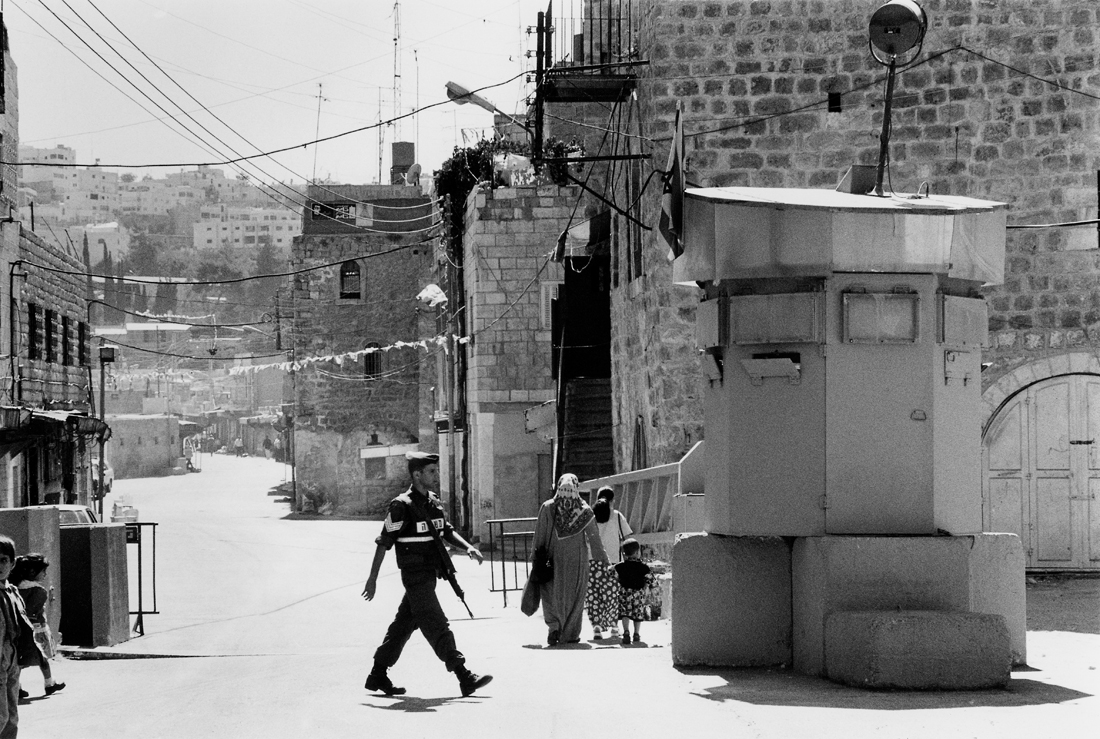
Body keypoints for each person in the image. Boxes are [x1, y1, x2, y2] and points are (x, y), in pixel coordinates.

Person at [361, 452, 492, 698]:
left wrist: (469, 547)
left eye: (436, 470)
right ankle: (464, 676)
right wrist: (372, 578)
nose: (436, 475)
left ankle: (377, 674)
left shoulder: (433, 502)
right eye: (431, 471)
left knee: (403, 626)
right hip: (414, 575)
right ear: (417, 474)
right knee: (436, 622)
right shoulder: (401, 506)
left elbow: (447, 531)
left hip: (429, 575)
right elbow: (384, 542)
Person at [533, 473, 609, 646]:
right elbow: (595, 540)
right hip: (577, 562)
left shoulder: (547, 507)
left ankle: (553, 627)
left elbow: (539, 538)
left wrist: (535, 559)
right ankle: (570, 633)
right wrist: (605, 563)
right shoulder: (585, 510)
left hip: (551, 560)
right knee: (575, 596)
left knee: (551, 593)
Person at [0, 534, 40, 738]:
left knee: (11, 717)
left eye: (3, 560)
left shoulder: (13, 592)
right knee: (1, 716)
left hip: (12, 658)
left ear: (12, 563)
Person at [10, 555, 63, 699]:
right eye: (43, 571)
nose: (45, 574)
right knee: (43, 657)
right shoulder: (38, 591)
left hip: (20, 630)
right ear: (33, 572)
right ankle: (49, 683)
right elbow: (32, 612)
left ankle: (17, 687)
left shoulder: (15, 588)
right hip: (37, 631)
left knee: (20, 661)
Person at [615, 538, 652, 645]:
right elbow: (650, 579)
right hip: (638, 594)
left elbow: (610, 572)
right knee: (638, 614)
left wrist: (618, 580)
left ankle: (626, 632)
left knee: (625, 613)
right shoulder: (643, 567)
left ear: (624, 553)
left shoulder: (620, 566)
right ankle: (636, 634)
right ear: (637, 552)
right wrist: (651, 588)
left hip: (624, 593)